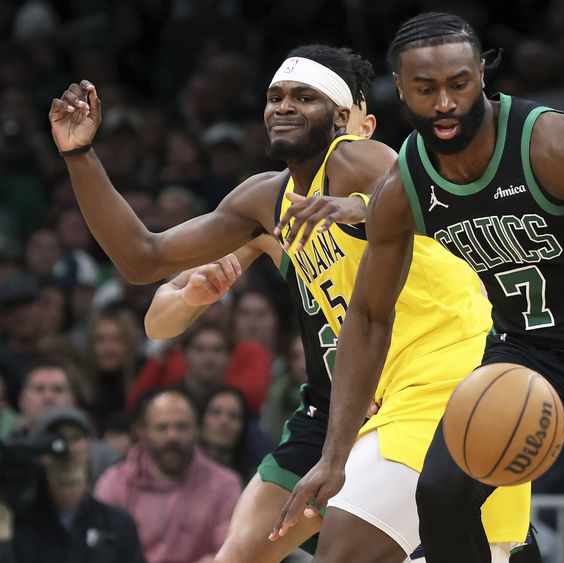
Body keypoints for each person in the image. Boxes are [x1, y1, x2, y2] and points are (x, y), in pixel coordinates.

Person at [51, 45, 535, 563]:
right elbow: (144, 258)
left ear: (345, 118)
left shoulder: (355, 157)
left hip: (449, 380)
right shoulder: (265, 200)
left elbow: (411, 189)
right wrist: (79, 155)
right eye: (274, 96)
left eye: (305, 97)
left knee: (346, 550)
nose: (283, 106)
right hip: (365, 399)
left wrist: (358, 207)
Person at [275, 12, 564, 563]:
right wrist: (334, 457)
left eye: (459, 83)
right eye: (426, 89)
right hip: (531, 354)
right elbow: (367, 317)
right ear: (400, 91)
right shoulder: (405, 184)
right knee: (439, 494)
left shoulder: (555, 144)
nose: (445, 103)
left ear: (482, 74)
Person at [94, 389, 242, 563]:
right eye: (162, 427)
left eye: (182, 427)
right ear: (142, 431)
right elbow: (101, 551)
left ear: (197, 430)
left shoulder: (225, 485)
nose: (172, 436)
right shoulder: (114, 482)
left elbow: (230, 553)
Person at [0, 405, 145, 563]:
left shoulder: (117, 524)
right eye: (57, 440)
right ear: (41, 451)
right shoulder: (21, 525)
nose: (67, 450)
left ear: (89, 447)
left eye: (76, 438)